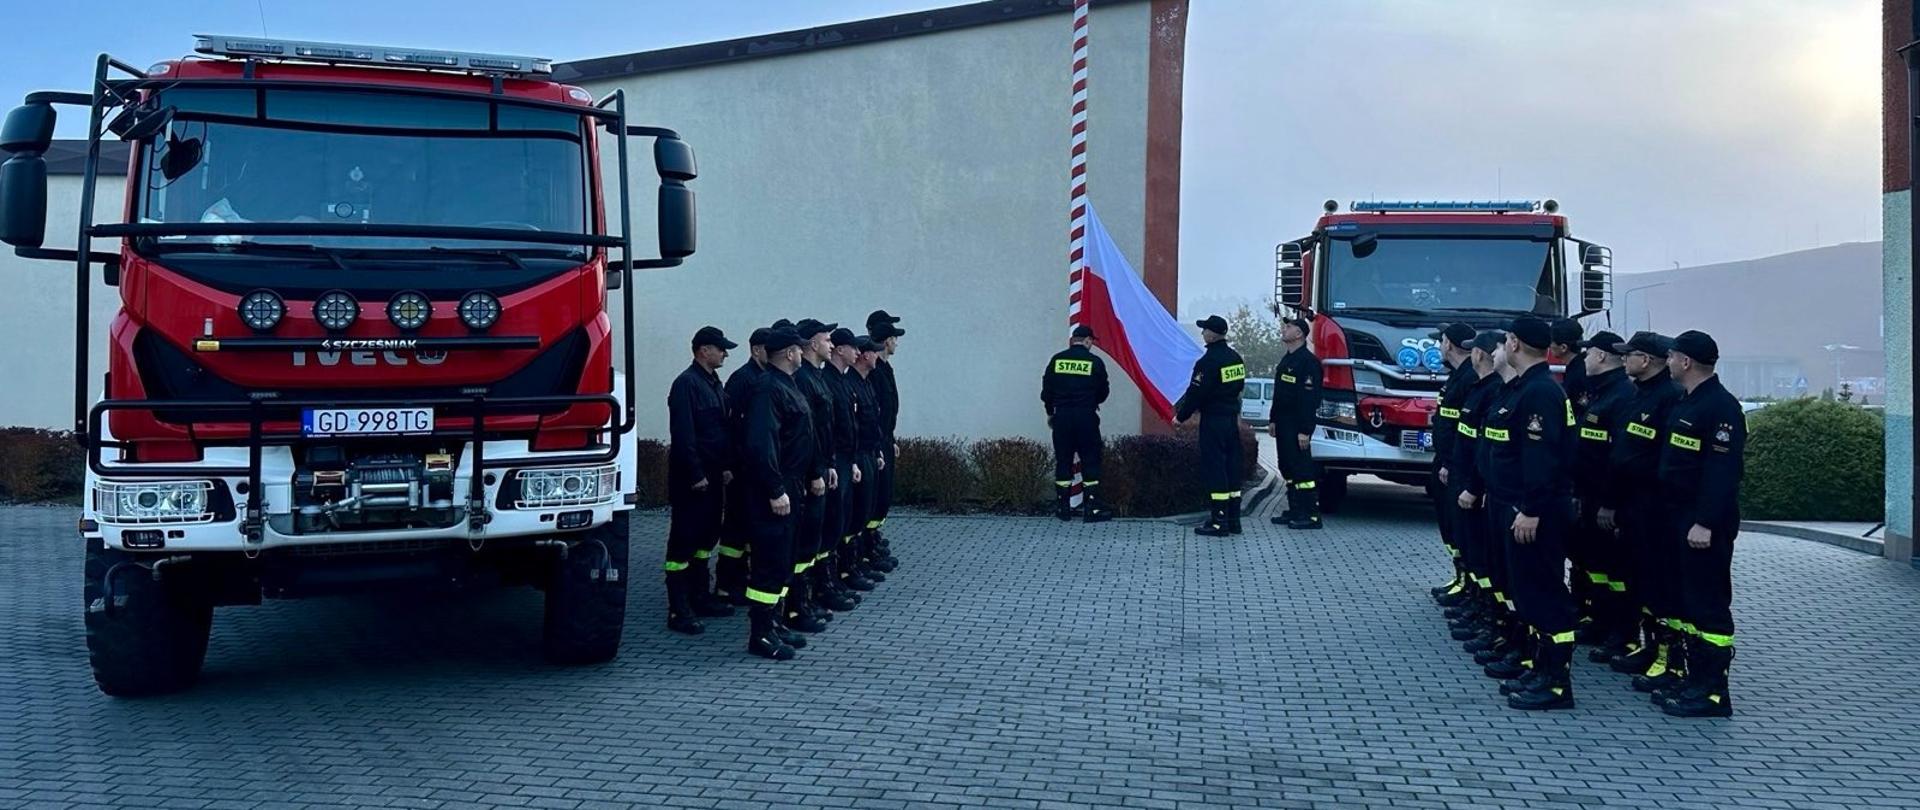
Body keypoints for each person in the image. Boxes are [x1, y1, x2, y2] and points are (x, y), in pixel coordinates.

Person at [1480, 317, 1579, 711]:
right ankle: (1539, 670)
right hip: (1515, 507)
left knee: (1545, 595)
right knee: (1528, 594)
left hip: (1534, 513)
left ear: (1516, 343)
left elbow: (1543, 460)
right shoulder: (1524, 389)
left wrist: (1532, 510)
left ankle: (1556, 685)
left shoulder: (1539, 393)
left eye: (1506, 339)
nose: (1504, 344)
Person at [1653, 330, 1745, 718]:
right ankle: (1692, 679)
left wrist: (1705, 522)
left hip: (1702, 524)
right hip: (1679, 517)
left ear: (1686, 362)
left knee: (1708, 606)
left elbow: (1722, 472)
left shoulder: (1720, 409)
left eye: (1671, 356)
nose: (1668, 362)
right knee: (1687, 601)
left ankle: (1712, 692)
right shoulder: (1686, 402)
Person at [1598, 332, 1686, 692]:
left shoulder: (1669, 398)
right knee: (1639, 582)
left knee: (1660, 585)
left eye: (1629, 354)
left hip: (1654, 506)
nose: (1624, 360)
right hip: (1632, 504)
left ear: (1647, 360)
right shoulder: (1638, 394)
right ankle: (1649, 648)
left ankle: (1668, 657)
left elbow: (1663, 460)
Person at [741, 328, 823, 660]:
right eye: (799, 350)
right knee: (769, 561)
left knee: (784, 558)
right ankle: (760, 634)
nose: (803, 354)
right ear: (789, 353)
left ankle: (775, 623)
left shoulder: (786, 385)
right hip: (773, 488)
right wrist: (775, 489)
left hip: (792, 483)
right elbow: (761, 444)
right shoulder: (767, 389)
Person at [663, 326, 740, 635]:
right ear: (703, 350)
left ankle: (700, 596)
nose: (725, 353)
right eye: (720, 348)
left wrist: (723, 467)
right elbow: (684, 435)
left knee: (706, 539)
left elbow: (718, 432)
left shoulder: (711, 383)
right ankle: (678, 609)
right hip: (692, 481)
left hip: (712, 476)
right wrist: (695, 474)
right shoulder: (686, 384)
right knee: (684, 542)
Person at [1451, 331, 1515, 668]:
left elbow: (1537, 461)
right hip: (1481, 489)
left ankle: (1541, 666)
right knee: (1483, 559)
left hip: (1509, 501)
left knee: (1514, 578)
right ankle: (1489, 620)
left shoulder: (1527, 394)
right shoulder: (1492, 390)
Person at [1568, 331, 1634, 659]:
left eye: (1588, 353)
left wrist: (1610, 503)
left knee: (1615, 571)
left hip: (1608, 502)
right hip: (1589, 497)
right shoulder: (1598, 392)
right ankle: (1598, 621)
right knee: (1594, 565)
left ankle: (1621, 633)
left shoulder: (1622, 396)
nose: (1584, 359)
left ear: (1603, 357)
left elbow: (1619, 457)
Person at [782, 319, 840, 635]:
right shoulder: (802, 379)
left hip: (818, 469)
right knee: (801, 545)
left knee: (813, 541)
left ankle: (805, 601)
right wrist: (816, 470)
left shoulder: (815, 377)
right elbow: (807, 434)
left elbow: (825, 429)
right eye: (826, 339)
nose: (830, 344)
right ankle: (795, 608)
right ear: (811, 344)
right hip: (804, 475)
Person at [1176, 314, 1248, 537]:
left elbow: (1196, 392)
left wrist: (1181, 416)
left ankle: (1218, 522)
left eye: (1205, 329)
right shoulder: (1236, 358)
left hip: (1213, 421)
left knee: (1215, 467)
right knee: (1231, 468)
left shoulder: (1207, 362)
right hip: (1230, 420)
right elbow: (1239, 387)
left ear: (1212, 334)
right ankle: (1233, 520)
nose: (1202, 333)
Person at [714, 327, 771, 603]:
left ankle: (740, 579)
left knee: (748, 527)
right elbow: (733, 427)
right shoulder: (743, 380)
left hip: (752, 467)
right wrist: (731, 464)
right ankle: (726, 584)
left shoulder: (762, 378)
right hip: (740, 468)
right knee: (735, 529)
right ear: (757, 350)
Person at [813, 328, 865, 615]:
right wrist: (830, 463)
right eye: (830, 342)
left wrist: (850, 460)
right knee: (829, 524)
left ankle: (831, 579)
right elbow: (825, 428)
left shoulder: (840, 382)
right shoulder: (825, 381)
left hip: (842, 460)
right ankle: (822, 585)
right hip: (830, 463)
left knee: (839, 522)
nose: (856, 352)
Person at [1041, 324, 1112, 522]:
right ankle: (1091, 509)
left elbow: (1046, 391)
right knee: (1090, 460)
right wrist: (1091, 402)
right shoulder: (1095, 362)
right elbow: (1103, 391)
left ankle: (1063, 508)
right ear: (1088, 340)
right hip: (1086, 418)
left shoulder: (1057, 360)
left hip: (1062, 418)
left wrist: (1050, 412)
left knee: (1063, 461)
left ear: (1073, 340)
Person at [1268, 309, 1323, 530]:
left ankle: (1310, 515)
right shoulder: (1287, 360)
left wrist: (1305, 430)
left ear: (1299, 334)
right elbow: (1280, 393)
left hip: (1297, 425)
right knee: (1287, 467)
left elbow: (1309, 399)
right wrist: (1272, 420)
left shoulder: (1308, 363)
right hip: (1283, 423)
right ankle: (1294, 509)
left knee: (1302, 471)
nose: (1285, 329)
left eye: (1289, 327)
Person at [841, 336, 889, 592]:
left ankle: (858, 560)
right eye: (872, 351)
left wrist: (878, 449)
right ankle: (848, 568)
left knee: (864, 512)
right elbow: (848, 428)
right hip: (855, 457)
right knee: (853, 515)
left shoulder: (865, 383)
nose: (876, 355)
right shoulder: (849, 385)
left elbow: (873, 421)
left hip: (868, 454)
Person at [865, 310, 905, 569]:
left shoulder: (884, 368)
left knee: (883, 495)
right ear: (885, 341)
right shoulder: (875, 371)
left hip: (884, 440)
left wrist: (889, 439)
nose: (896, 343)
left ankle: (873, 538)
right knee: (874, 497)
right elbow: (875, 411)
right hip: (876, 442)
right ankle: (867, 546)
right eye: (894, 338)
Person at [1551, 317, 1589, 419]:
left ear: (1563, 347)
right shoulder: (1578, 368)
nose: (1548, 346)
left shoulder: (1578, 376)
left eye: (1551, 341)